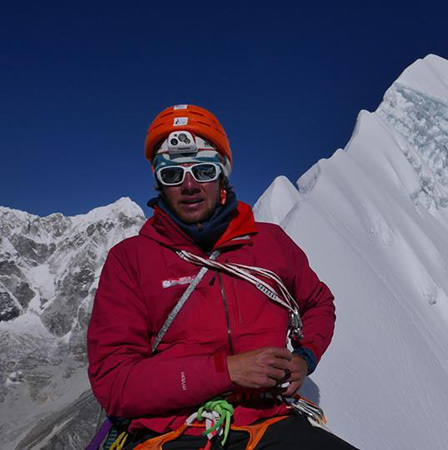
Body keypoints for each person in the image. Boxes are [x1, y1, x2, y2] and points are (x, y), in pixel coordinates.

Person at [87, 105, 356, 449]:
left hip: (265, 424)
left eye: (202, 171)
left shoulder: (271, 243)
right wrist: (226, 371)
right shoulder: (131, 260)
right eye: (172, 176)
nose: (189, 186)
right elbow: (115, 383)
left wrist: (306, 357)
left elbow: (318, 302)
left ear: (221, 174)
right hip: (171, 432)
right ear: (159, 182)